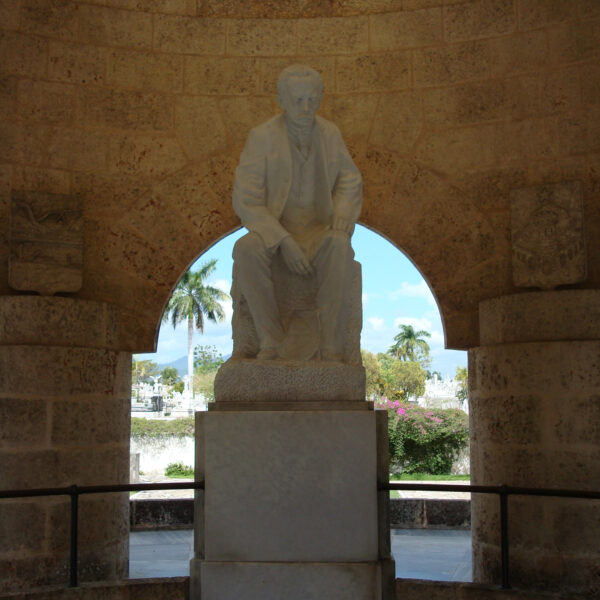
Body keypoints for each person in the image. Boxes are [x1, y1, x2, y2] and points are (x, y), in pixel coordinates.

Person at [231, 64, 362, 361]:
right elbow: (246, 200)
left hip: (318, 232)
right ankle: (271, 340)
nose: (306, 108)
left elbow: (350, 178)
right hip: (275, 234)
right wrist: (283, 241)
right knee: (245, 249)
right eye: (297, 101)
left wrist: (342, 211)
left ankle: (330, 344)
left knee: (340, 245)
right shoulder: (261, 137)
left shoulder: (330, 134)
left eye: (311, 100)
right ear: (281, 100)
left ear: (319, 98)